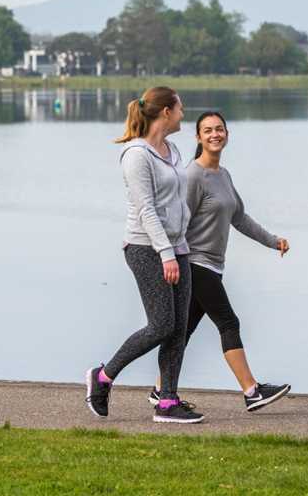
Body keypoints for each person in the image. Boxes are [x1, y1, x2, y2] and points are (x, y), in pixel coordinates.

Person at [148, 110, 292, 412]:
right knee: (229, 321)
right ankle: (252, 391)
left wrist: (272, 240)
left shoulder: (223, 175)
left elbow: (239, 217)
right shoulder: (192, 175)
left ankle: (160, 390)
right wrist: (169, 261)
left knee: (181, 331)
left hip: (213, 265)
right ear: (198, 137)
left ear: (227, 134)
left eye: (220, 129)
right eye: (208, 130)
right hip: (195, 264)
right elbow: (177, 222)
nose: (215, 134)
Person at [85, 87, 203, 424]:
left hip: (177, 247)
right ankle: (104, 376)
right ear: (165, 112)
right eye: (180, 107)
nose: (184, 112)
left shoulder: (173, 150)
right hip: (145, 248)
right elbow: (146, 210)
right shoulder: (136, 155)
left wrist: (181, 244)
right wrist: (166, 253)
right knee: (161, 324)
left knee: (178, 329)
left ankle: (167, 403)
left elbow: (178, 201)